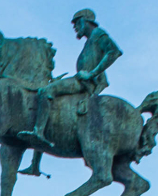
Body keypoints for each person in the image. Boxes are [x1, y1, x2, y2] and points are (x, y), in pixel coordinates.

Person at [25, 8, 123, 148]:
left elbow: (114, 52)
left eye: (77, 23)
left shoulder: (98, 34)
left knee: (45, 92)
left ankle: (38, 132)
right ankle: (36, 154)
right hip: (81, 80)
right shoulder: (91, 40)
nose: (75, 27)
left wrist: (92, 74)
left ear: (85, 21)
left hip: (84, 83)